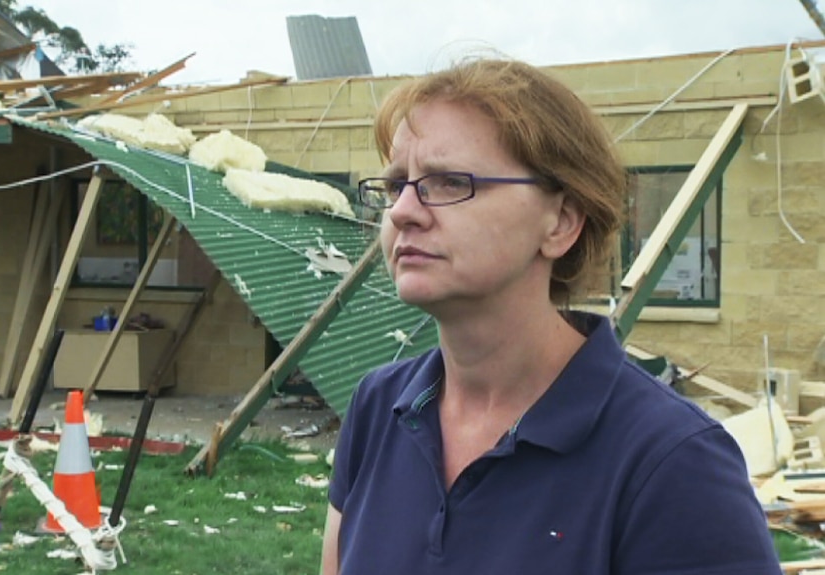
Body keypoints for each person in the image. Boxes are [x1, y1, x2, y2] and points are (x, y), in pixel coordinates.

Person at [321, 58, 780, 574]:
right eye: (394, 186)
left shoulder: (672, 460)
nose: (403, 210)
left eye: (449, 182)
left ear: (561, 221)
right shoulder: (379, 408)